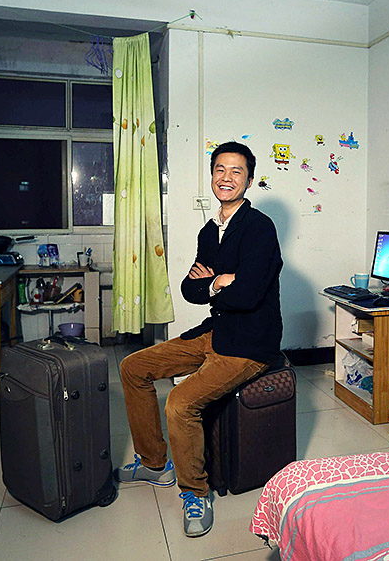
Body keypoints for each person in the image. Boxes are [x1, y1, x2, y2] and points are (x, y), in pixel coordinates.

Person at [116, 141, 283, 537]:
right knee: (133, 367)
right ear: (212, 176)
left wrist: (215, 284)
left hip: (249, 344)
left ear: (249, 180)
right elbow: (189, 289)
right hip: (215, 331)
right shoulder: (210, 231)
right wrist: (218, 282)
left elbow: (249, 295)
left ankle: (195, 493)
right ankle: (154, 464)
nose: (227, 177)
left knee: (179, 403)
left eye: (236, 171)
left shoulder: (260, 228)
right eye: (220, 169)